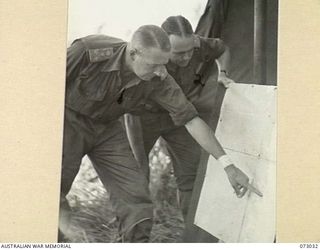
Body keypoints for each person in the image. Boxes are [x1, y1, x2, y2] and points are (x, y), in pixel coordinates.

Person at [60, 23, 251, 243]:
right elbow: (45, 87)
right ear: (133, 53)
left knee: (137, 199)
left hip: (108, 129)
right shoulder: (88, 51)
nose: (162, 72)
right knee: (53, 192)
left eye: (164, 64)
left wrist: (228, 165)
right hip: (67, 122)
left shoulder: (160, 77)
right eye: (154, 65)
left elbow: (191, 120)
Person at [124, 16, 259, 224]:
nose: (186, 57)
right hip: (143, 118)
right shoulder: (149, 57)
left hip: (178, 115)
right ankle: (132, 233)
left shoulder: (198, 44)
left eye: (190, 50)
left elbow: (222, 49)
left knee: (191, 174)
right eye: (178, 53)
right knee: (137, 175)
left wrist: (222, 73)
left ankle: (191, 231)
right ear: (164, 46)